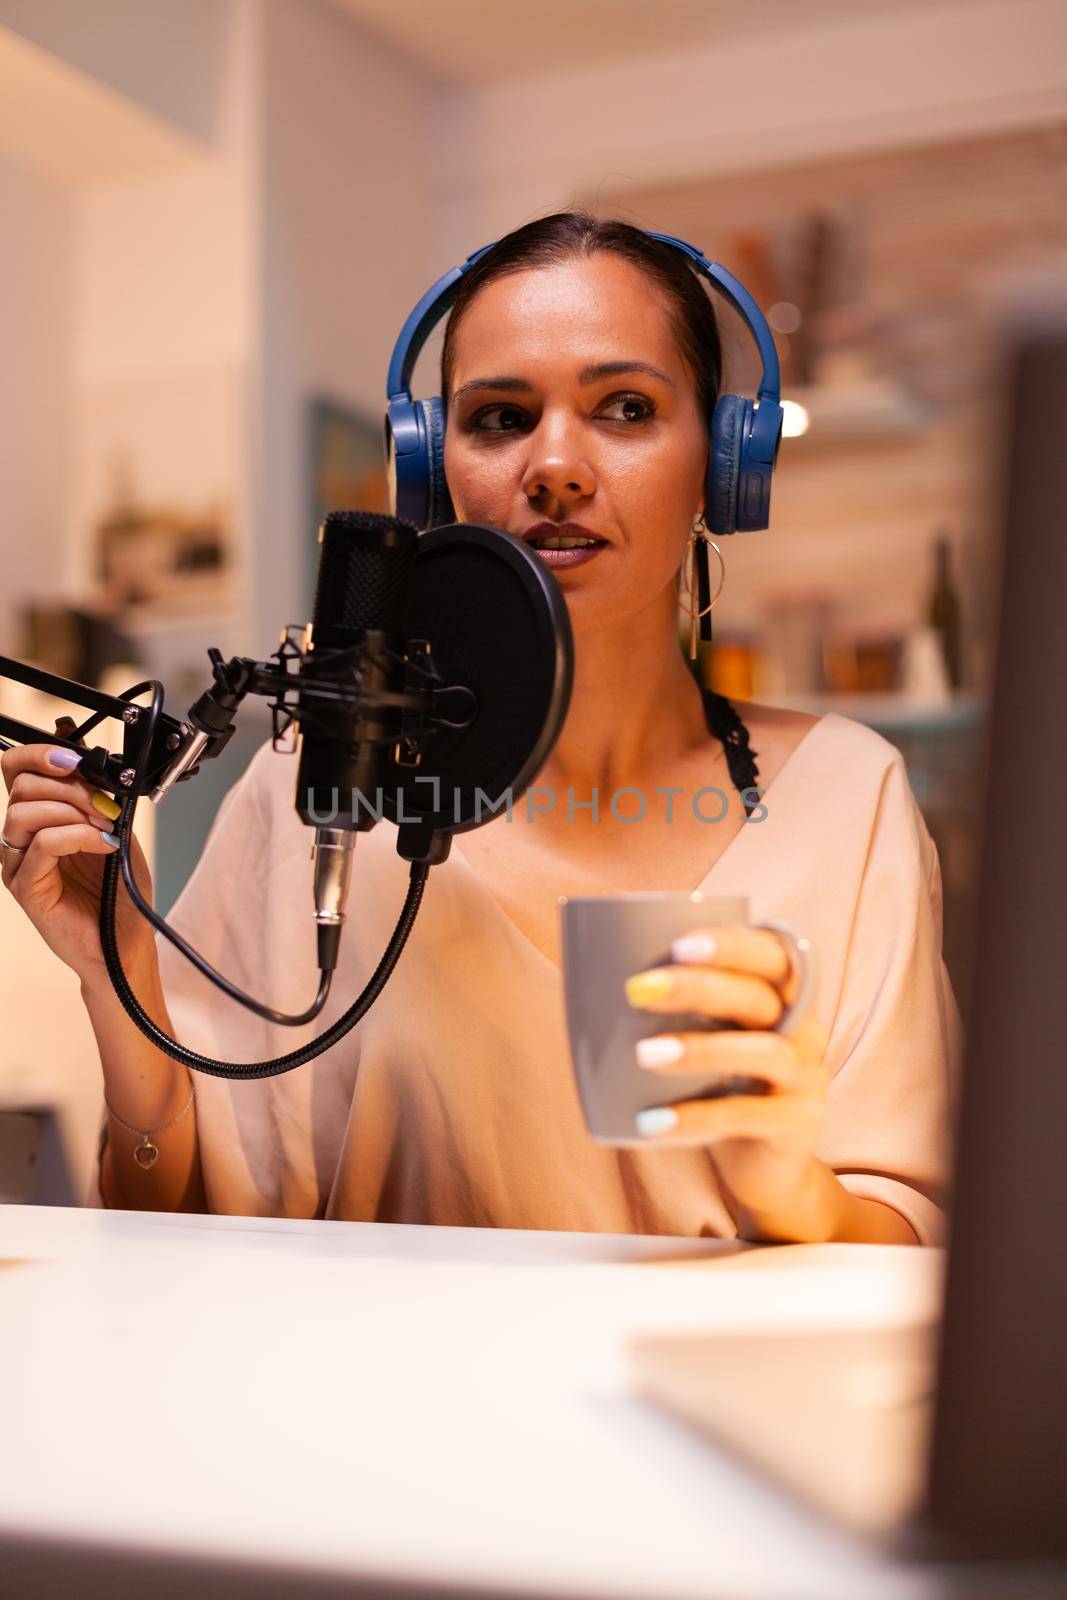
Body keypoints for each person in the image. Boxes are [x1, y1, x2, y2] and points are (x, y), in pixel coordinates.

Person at [0, 213, 960, 1242]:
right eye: (500, 418)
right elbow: (175, 1225)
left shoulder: (846, 798)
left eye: (624, 407)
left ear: (721, 466)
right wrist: (123, 974)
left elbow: (914, 1248)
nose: (554, 465)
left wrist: (788, 1189)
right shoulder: (320, 785)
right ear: (432, 470)